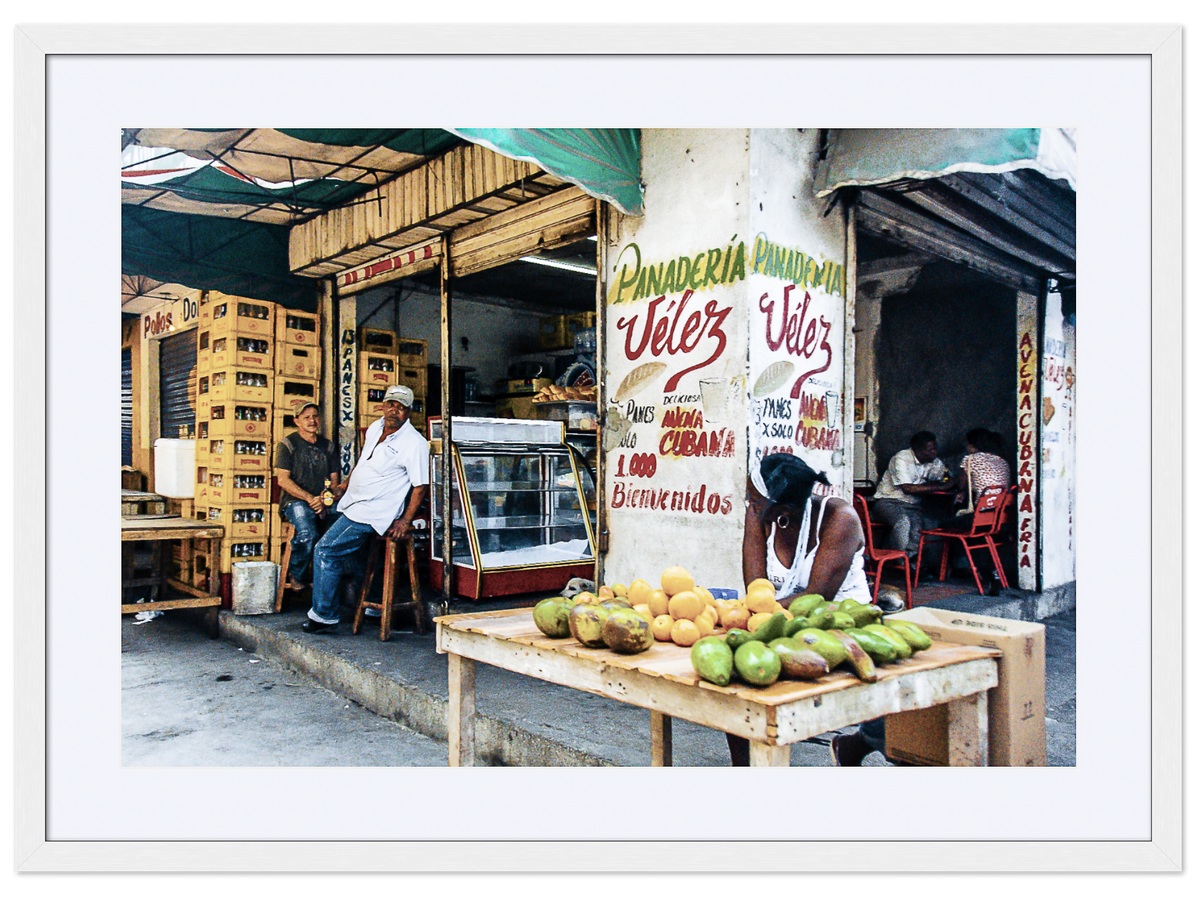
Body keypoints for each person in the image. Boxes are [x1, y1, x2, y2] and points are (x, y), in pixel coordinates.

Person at [728, 453, 875, 766]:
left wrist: (753, 613)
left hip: (842, 625)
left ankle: (857, 743)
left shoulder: (840, 519)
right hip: (786, 622)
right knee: (738, 675)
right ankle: (743, 767)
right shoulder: (760, 515)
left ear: (781, 508)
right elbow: (757, 590)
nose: (748, 504)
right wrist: (747, 614)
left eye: (753, 500)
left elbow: (816, 598)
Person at [301, 385, 429, 635]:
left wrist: (405, 520)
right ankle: (374, 606)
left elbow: (420, 486)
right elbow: (362, 464)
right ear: (383, 404)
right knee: (350, 547)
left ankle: (324, 616)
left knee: (325, 549)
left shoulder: (415, 444)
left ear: (409, 412)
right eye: (391, 404)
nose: (395, 410)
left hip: (373, 511)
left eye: (401, 407)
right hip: (353, 502)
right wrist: (342, 488)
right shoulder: (375, 428)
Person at [274, 401, 340, 591]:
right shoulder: (287, 445)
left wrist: (327, 497)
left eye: (315, 416)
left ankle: (340, 580)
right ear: (296, 421)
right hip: (296, 501)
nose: (312, 420)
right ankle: (298, 575)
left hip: (323, 501)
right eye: (306, 417)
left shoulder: (327, 446)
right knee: (307, 534)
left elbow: (335, 480)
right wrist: (310, 498)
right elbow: (283, 480)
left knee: (348, 526)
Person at [872, 431, 949, 561]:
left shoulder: (934, 462)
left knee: (918, 531)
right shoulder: (901, 458)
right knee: (903, 523)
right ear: (918, 451)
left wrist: (947, 482)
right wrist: (940, 486)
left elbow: (943, 478)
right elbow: (908, 488)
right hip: (888, 502)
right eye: (930, 450)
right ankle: (895, 560)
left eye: (935, 448)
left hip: (913, 505)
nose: (934, 452)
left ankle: (909, 563)